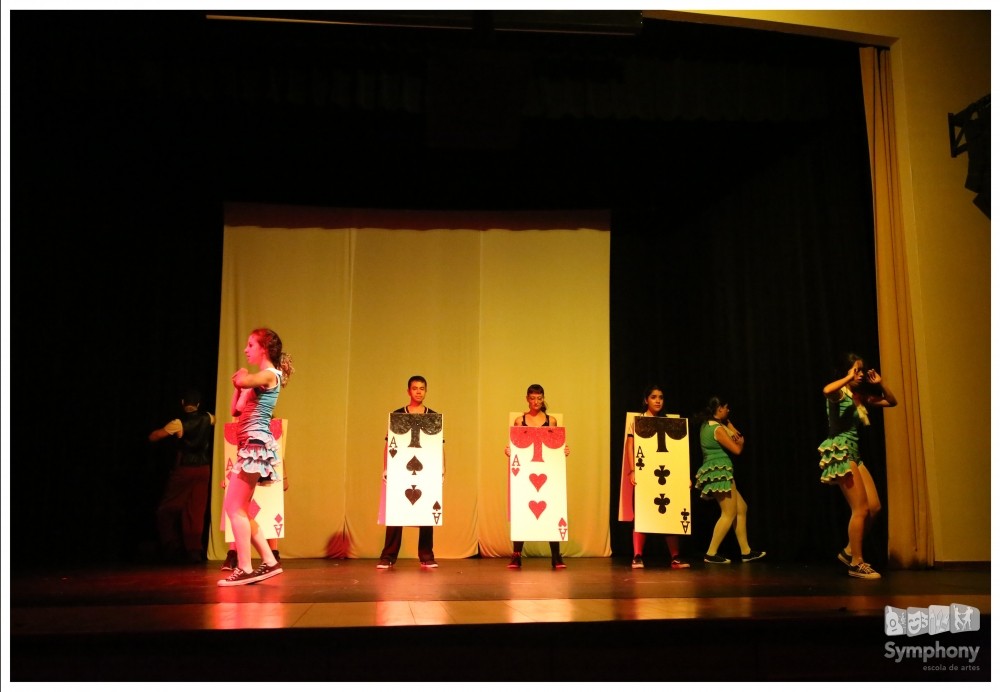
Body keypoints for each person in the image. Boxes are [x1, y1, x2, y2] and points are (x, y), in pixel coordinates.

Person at [217, 328, 294, 586]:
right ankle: (270, 561)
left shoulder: (270, 375)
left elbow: (245, 381)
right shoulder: (256, 378)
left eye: (251, 345)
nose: (246, 349)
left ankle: (245, 567)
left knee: (233, 508)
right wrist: (238, 385)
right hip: (248, 446)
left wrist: (241, 379)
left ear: (264, 348)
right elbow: (236, 410)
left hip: (256, 445)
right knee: (241, 509)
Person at [818, 353, 897, 580]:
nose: (860, 374)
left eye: (861, 371)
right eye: (856, 370)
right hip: (841, 451)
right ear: (847, 372)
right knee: (860, 509)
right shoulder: (839, 394)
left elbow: (892, 402)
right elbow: (826, 390)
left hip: (855, 453)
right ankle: (856, 563)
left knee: (874, 507)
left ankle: (849, 550)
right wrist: (847, 377)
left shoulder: (859, 396)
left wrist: (880, 384)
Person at [620, 385, 691, 569]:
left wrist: (684, 476)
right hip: (645, 473)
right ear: (646, 400)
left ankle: (675, 557)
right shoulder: (638, 421)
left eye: (660, 397)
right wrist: (633, 469)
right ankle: (637, 555)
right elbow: (631, 445)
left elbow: (678, 453)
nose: (658, 400)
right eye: (653, 397)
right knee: (642, 513)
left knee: (671, 512)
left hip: (666, 473)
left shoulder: (670, 423)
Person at [377, 375, 444, 569]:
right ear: (409, 391)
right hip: (401, 468)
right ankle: (388, 556)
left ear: (426, 391)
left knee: (427, 508)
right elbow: (389, 443)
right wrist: (386, 467)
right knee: (395, 509)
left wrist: (442, 467)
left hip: (426, 468)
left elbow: (438, 444)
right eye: (415, 388)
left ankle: (426, 555)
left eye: (422, 388)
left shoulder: (432, 416)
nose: (418, 391)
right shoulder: (398, 415)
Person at [693, 396, 765, 565]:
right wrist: (742, 443)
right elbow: (736, 447)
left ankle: (746, 551)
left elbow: (733, 433)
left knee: (741, 508)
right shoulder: (717, 429)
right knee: (728, 513)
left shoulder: (706, 425)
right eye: (726, 408)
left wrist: (729, 424)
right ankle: (711, 553)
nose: (728, 410)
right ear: (719, 409)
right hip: (719, 471)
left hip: (715, 470)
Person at [504, 384, 569, 569]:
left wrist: (563, 449)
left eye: (539, 398)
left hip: (547, 473)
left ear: (543, 398)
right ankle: (516, 555)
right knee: (522, 510)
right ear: (527, 399)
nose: (536, 402)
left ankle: (556, 556)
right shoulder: (520, 421)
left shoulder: (552, 421)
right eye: (533, 398)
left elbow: (556, 446)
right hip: (525, 474)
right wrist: (509, 450)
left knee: (552, 509)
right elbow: (515, 446)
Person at [148, 388, 216, 563]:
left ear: (183, 403)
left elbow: (155, 436)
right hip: (204, 469)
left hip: (186, 469)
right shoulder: (209, 417)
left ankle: (171, 544)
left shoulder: (178, 423)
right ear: (199, 404)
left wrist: (152, 435)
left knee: (167, 508)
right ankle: (194, 550)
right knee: (195, 510)